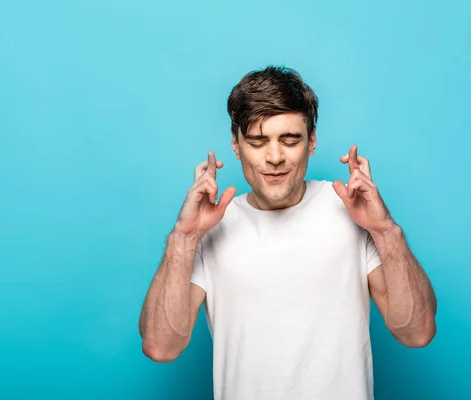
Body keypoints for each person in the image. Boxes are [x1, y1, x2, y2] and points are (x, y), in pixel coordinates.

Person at [138, 66, 437, 400]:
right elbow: (161, 347)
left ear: (312, 141)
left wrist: (384, 230)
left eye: (290, 140)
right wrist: (185, 236)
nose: (275, 157)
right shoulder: (211, 227)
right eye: (257, 141)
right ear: (236, 146)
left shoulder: (350, 211)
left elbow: (417, 332)